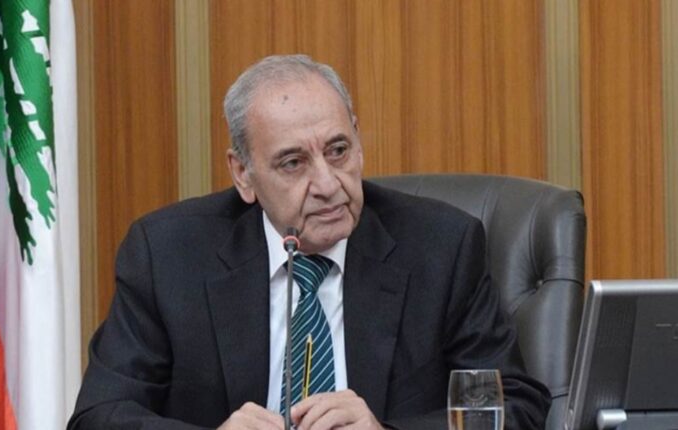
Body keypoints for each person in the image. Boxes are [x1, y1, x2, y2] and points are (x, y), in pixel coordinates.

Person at [68, 54, 550, 430]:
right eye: (293, 163)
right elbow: (100, 416)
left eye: (338, 151)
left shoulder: (441, 247)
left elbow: (516, 408)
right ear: (243, 174)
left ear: (358, 141)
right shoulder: (167, 254)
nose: (327, 184)